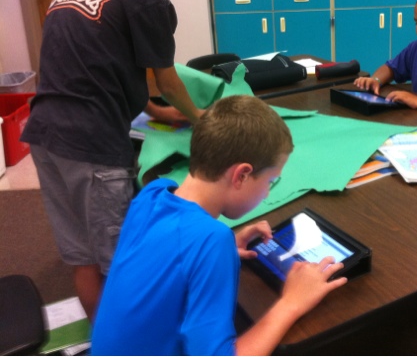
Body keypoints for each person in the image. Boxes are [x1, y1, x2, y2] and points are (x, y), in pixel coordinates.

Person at [21, 0, 207, 321]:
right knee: (121, 264)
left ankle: (104, 342)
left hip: (45, 135)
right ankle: (129, 342)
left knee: (83, 256)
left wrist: (155, 111)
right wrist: (200, 118)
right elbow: (167, 81)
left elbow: (99, 63)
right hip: (91, 146)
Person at [91, 95, 347, 356]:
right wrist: (291, 303)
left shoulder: (153, 193)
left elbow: (161, 254)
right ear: (242, 175)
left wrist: (214, 250)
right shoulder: (212, 241)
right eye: (270, 181)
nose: (267, 194)